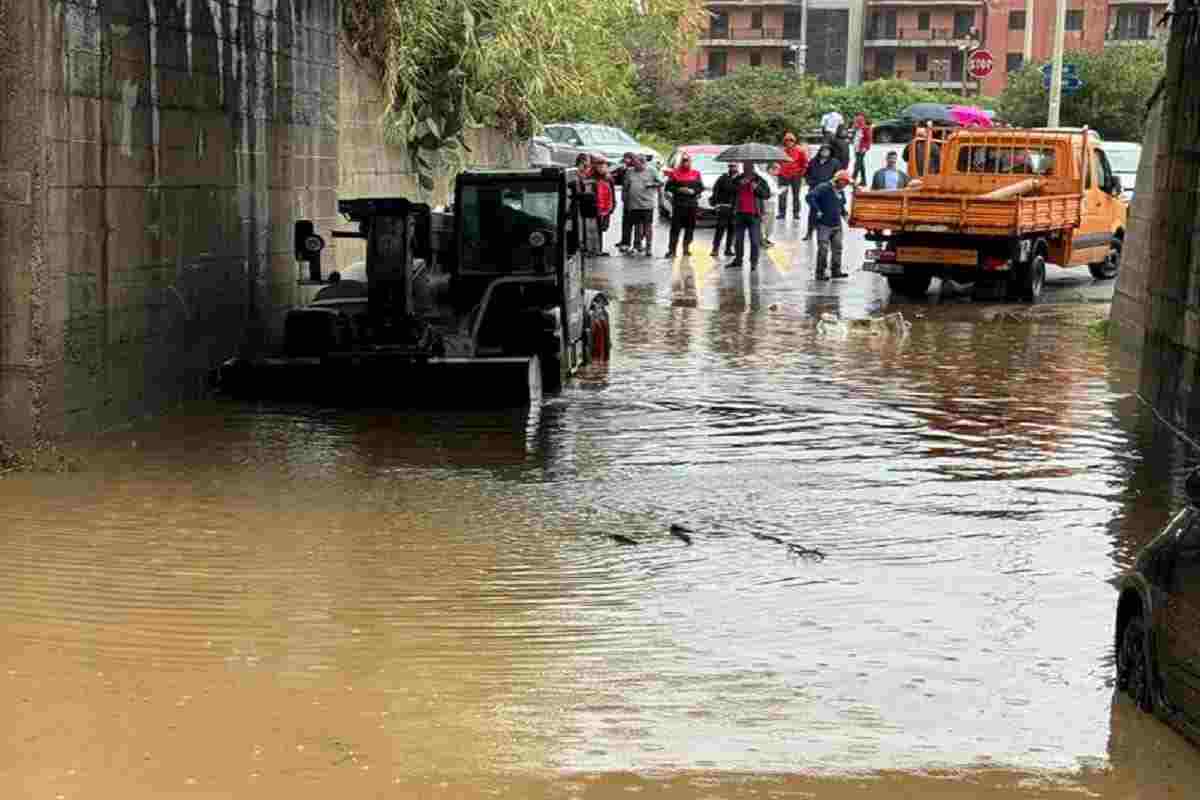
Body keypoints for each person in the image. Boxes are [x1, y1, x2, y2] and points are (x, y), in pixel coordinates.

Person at [806, 170, 852, 280]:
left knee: (837, 248)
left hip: (837, 225)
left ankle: (836, 271)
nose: (845, 185)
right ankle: (820, 273)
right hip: (824, 225)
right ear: (838, 180)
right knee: (823, 249)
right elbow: (809, 197)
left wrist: (846, 217)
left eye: (847, 183)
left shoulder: (841, 191)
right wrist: (817, 210)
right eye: (844, 182)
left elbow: (841, 207)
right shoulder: (823, 187)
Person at [727, 161, 772, 271]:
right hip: (740, 213)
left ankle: (754, 262)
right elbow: (729, 191)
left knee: (755, 241)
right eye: (746, 166)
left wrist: (756, 187)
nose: (748, 168)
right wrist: (740, 184)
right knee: (738, 240)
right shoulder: (738, 179)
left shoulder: (760, 179)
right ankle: (738, 260)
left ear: (753, 167)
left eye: (750, 166)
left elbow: (766, 195)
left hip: (754, 214)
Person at [663, 152, 704, 258]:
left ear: (690, 162)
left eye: (687, 161)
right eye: (684, 161)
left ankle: (686, 248)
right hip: (679, 205)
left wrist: (693, 191)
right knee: (675, 229)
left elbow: (700, 188)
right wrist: (679, 189)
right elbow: (668, 187)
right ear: (680, 162)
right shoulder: (675, 173)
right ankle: (672, 250)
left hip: (691, 205)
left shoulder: (696, 173)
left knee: (690, 228)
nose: (686, 163)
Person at [622, 155, 661, 256]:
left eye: (637, 164)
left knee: (648, 226)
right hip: (633, 204)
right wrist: (625, 199)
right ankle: (637, 246)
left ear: (643, 163)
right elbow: (625, 186)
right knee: (637, 226)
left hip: (647, 204)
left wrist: (651, 184)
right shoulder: (630, 171)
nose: (635, 166)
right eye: (634, 164)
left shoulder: (651, 171)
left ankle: (648, 247)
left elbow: (661, 182)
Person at [803, 144, 842, 241]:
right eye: (823, 150)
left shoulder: (835, 162)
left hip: (828, 192)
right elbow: (806, 174)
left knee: (828, 212)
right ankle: (809, 232)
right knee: (813, 212)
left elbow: (838, 176)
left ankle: (829, 233)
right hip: (815, 191)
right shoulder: (813, 161)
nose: (825, 152)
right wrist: (810, 182)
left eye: (827, 151)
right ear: (820, 151)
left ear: (830, 152)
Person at [775, 131, 810, 221]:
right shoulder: (781, 151)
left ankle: (796, 213)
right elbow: (776, 163)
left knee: (796, 196)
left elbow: (805, 163)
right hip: (783, 176)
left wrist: (801, 173)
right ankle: (782, 213)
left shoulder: (800, 150)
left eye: (791, 140)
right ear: (784, 141)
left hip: (796, 176)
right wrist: (778, 171)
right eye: (787, 140)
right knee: (782, 195)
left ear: (794, 141)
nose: (789, 142)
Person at [709, 161, 740, 258]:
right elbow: (716, 191)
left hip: (735, 208)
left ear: (737, 167)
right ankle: (715, 248)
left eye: (734, 166)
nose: (732, 168)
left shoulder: (740, 179)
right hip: (724, 207)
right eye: (730, 166)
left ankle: (728, 249)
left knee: (732, 229)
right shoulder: (723, 178)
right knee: (720, 229)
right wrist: (716, 204)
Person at [610, 152, 636, 252]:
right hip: (626, 199)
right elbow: (618, 180)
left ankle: (633, 243)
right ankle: (625, 241)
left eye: (628, 158)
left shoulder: (633, 170)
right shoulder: (624, 169)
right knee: (626, 222)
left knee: (632, 222)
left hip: (635, 200)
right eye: (625, 158)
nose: (626, 160)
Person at [591, 156, 616, 256]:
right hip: (595, 207)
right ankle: (596, 249)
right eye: (599, 167)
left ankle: (599, 248)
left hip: (606, 207)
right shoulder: (592, 179)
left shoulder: (609, 179)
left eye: (603, 167)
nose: (601, 169)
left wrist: (613, 205)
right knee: (595, 229)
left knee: (602, 228)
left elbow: (612, 193)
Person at [851, 113, 872, 186]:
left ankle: (853, 179)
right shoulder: (857, 129)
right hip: (857, 149)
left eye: (856, 122)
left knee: (857, 165)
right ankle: (864, 181)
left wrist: (865, 148)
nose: (855, 123)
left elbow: (869, 140)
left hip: (862, 150)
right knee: (861, 165)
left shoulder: (866, 129)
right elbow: (856, 138)